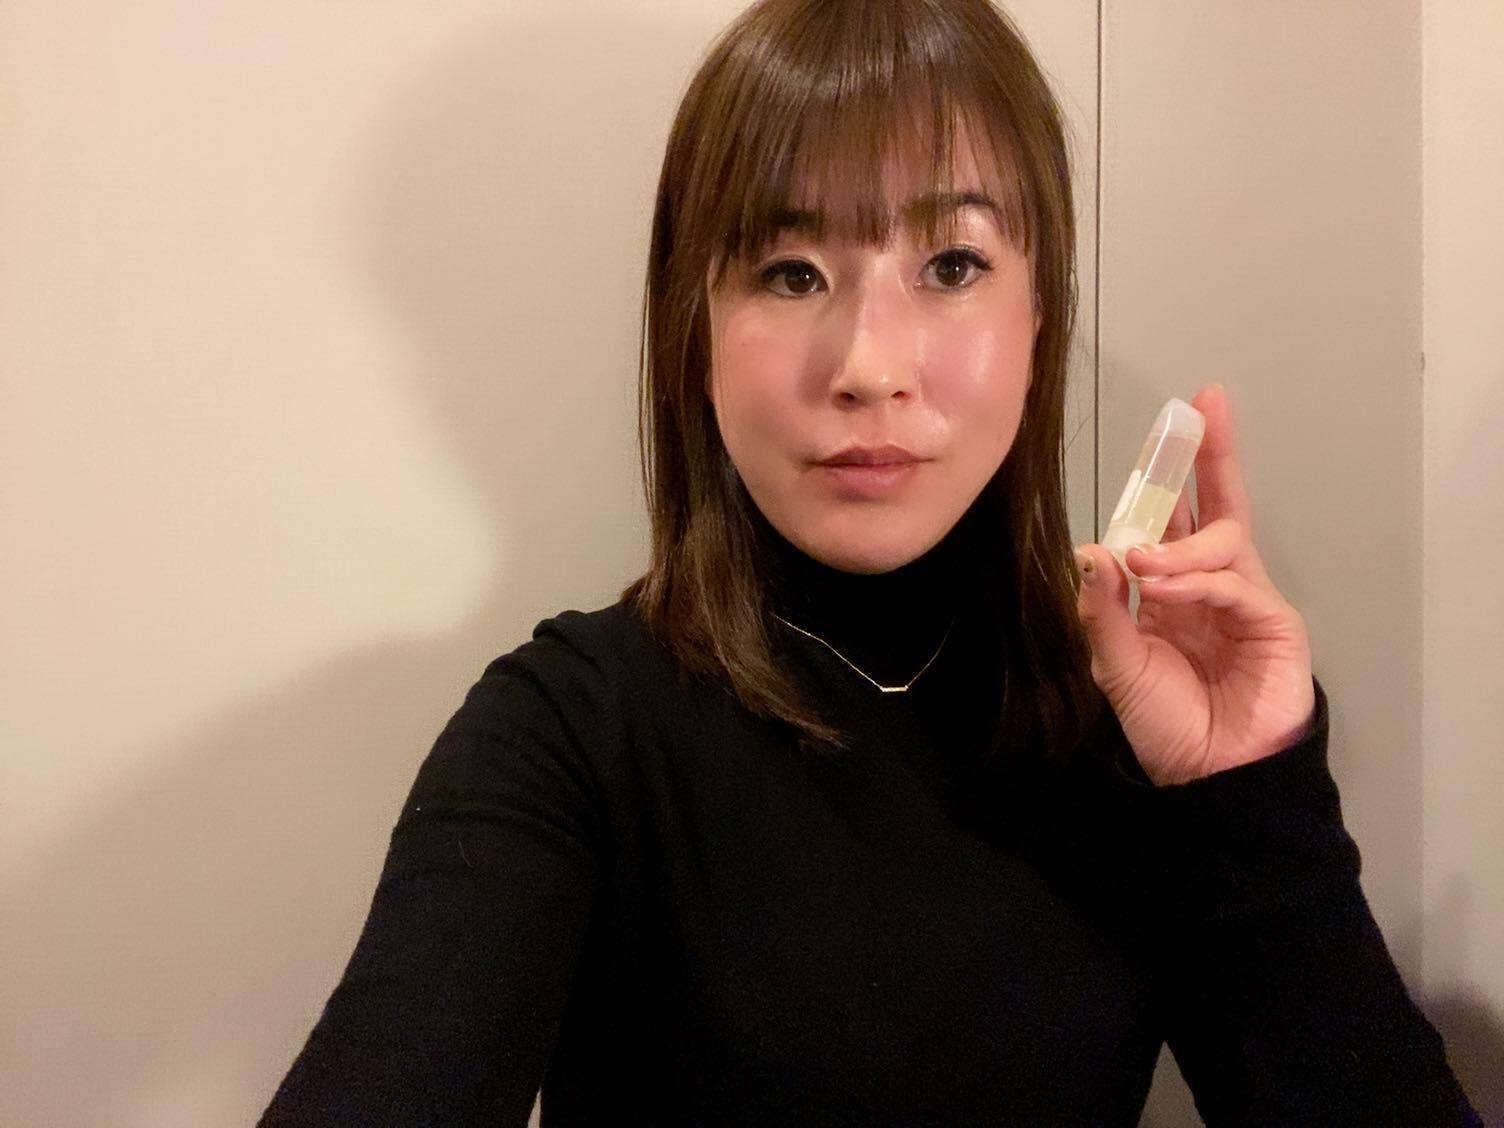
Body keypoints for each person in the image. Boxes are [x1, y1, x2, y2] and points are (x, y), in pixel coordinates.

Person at [260, 0, 1481, 1124]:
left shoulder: (1131, 717)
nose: (868, 366)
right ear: (692, 330)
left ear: (1038, 317)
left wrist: (1246, 794)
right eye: (790, 273)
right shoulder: (568, 732)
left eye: (952, 266)